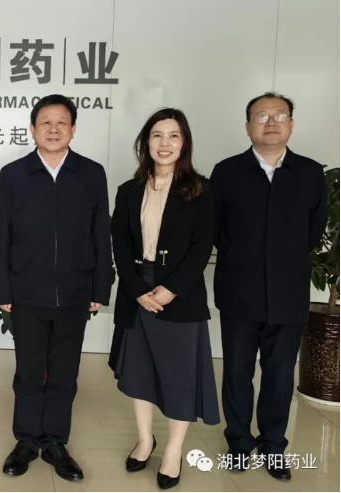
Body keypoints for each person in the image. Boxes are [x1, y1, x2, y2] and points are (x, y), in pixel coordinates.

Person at [0, 94, 112, 481]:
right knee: (28, 373)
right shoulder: (14, 174)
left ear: (73, 129)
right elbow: (2, 236)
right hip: (26, 295)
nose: (53, 129)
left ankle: (56, 442)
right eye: (46, 122)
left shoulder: (91, 174)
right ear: (33, 129)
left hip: (75, 294)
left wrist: (100, 287)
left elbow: (100, 234)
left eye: (62, 122)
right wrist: (2, 290)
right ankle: (26, 441)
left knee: (64, 375)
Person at [211, 92, 327, 481]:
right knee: (237, 372)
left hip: (288, 293)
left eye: (280, 115)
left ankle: (273, 446)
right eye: (262, 116)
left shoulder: (309, 173)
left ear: (291, 124)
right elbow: (215, 228)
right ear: (248, 127)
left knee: (279, 375)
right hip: (238, 291)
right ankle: (239, 443)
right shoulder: (227, 172)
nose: (271, 122)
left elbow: (313, 230)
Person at [109, 108, 219, 490]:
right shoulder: (128, 190)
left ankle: (173, 451)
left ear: (184, 142)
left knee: (179, 376)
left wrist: (171, 289)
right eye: (157, 135)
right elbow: (120, 243)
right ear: (146, 142)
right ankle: (145, 440)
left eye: (173, 135)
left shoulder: (200, 190)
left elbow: (202, 246)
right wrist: (137, 289)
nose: (165, 143)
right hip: (137, 290)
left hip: (180, 294)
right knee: (138, 371)